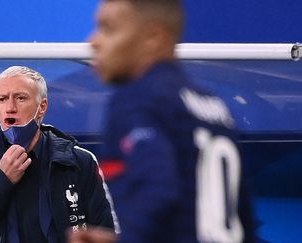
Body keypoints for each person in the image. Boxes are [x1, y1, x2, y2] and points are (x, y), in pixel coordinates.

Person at [69, 0, 255, 242]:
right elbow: (242, 215)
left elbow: (157, 189)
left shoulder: (138, 98)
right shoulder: (215, 108)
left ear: (152, 39)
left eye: (108, 28)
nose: (93, 41)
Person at [0, 66, 117, 243]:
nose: (10, 107)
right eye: (2, 99)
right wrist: (1, 181)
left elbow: (105, 233)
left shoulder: (79, 162)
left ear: (42, 107)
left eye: (20, 98)